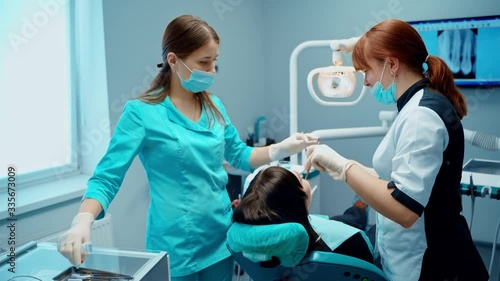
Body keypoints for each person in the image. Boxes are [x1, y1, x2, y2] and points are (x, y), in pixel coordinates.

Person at [57, 14, 318, 281]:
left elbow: (240, 155)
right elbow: (107, 176)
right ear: (173, 60)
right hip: (175, 245)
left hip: (221, 236)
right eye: (204, 63)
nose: (212, 71)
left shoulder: (214, 107)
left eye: (214, 62)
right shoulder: (141, 113)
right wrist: (83, 221)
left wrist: (284, 147)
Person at [304, 19, 489, 281]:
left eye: (366, 70)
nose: (365, 82)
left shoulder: (420, 116)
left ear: (392, 64)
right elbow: (401, 178)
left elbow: (404, 209)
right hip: (413, 255)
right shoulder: (414, 106)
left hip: (431, 263)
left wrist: (345, 168)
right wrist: (352, 169)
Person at [232, 165, 374, 264]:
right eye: (300, 179)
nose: (300, 175)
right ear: (299, 201)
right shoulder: (349, 238)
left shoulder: (250, 247)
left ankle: (359, 206)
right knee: (360, 222)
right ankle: (360, 205)